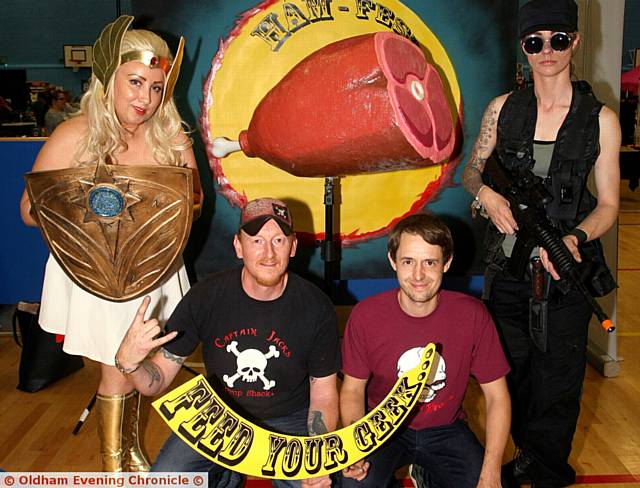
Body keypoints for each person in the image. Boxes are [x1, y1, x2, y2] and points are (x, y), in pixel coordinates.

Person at [19, 16, 201, 472]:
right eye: (136, 82)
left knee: (140, 364)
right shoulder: (75, 134)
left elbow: (192, 204)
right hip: (94, 269)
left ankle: (132, 451)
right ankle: (115, 464)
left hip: (153, 264)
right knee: (116, 369)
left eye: (157, 87)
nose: (146, 98)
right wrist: (85, 206)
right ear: (109, 79)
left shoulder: (169, 136)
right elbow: (28, 209)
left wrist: (166, 187)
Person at [461, 0, 620, 486]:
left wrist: (574, 237)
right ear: (524, 48)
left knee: (559, 383)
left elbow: (610, 205)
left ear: (574, 42)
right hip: (507, 273)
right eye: (535, 42)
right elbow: (470, 170)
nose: (546, 51)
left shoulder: (601, 120)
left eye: (557, 39)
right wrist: (486, 194)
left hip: (563, 274)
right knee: (510, 376)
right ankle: (528, 454)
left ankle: (547, 470)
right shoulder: (502, 110)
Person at [115, 198, 342, 487]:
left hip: (290, 419)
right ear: (238, 246)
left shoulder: (315, 306)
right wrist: (129, 363)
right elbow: (155, 382)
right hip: (217, 418)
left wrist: (316, 456)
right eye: (257, 240)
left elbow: (323, 395)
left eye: (278, 240)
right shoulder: (205, 297)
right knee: (166, 481)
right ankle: (226, 475)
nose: (269, 253)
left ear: (293, 246)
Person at [340, 213, 511, 488]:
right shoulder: (365, 315)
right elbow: (352, 390)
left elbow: (497, 397)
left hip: (446, 429)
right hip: (381, 428)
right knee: (353, 484)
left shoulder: (473, 315)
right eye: (408, 262)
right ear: (393, 261)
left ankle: (429, 475)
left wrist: (491, 472)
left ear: (447, 263)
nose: (418, 275)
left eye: (430, 262)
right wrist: (355, 447)